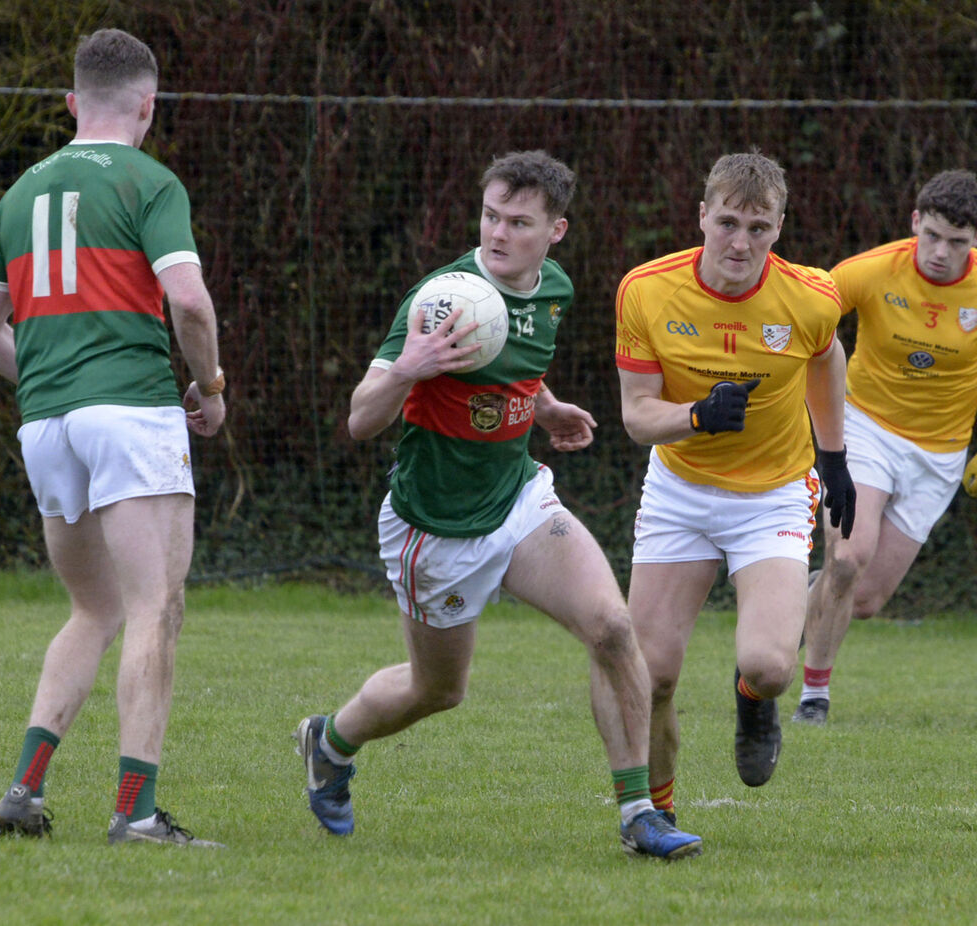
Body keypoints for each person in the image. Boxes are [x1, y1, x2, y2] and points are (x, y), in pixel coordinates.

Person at [294, 150, 702, 860]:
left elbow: (518, 361)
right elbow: (361, 419)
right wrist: (410, 369)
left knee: (611, 627)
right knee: (437, 690)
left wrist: (542, 409)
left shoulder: (555, 290)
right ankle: (328, 743)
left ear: (556, 231)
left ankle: (640, 812)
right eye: (490, 216)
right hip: (437, 529)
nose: (498, 232)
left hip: (517, 498)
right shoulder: (441, 300)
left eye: (518, 221)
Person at [0, 28, 226, 847]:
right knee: (157, 607)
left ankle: (24, 791)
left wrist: (51, 380)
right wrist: (211, 390)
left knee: (93, 607)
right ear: (147, 105)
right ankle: (136, 814)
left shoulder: (17, 197)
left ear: (74, 102)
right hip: (131, 413)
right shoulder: (150, 180)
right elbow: (188, 303)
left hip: (46, 422)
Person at [614, 152, 855, 823]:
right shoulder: (646, 289)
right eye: (727, 223)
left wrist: (832, 459)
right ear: (701, 216)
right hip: (680, 492)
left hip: (773, 495)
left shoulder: (810, 296)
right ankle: (655, 814)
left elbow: (826, 355)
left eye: (759, 226)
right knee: (652, 675)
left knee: (772, 665)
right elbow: (636, 416)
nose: (740, 242)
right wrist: (694, 417)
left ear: (780, 226)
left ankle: (754, 704)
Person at [794, 169, 977, 726]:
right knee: (849, 557)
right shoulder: (870, 270)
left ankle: (782, 607)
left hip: (940, 457)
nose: (939, 252)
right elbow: (807, 324)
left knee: (863, 598)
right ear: (914, 223)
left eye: (956, 242)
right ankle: (814, 696)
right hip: (864, 428)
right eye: (931, 235)